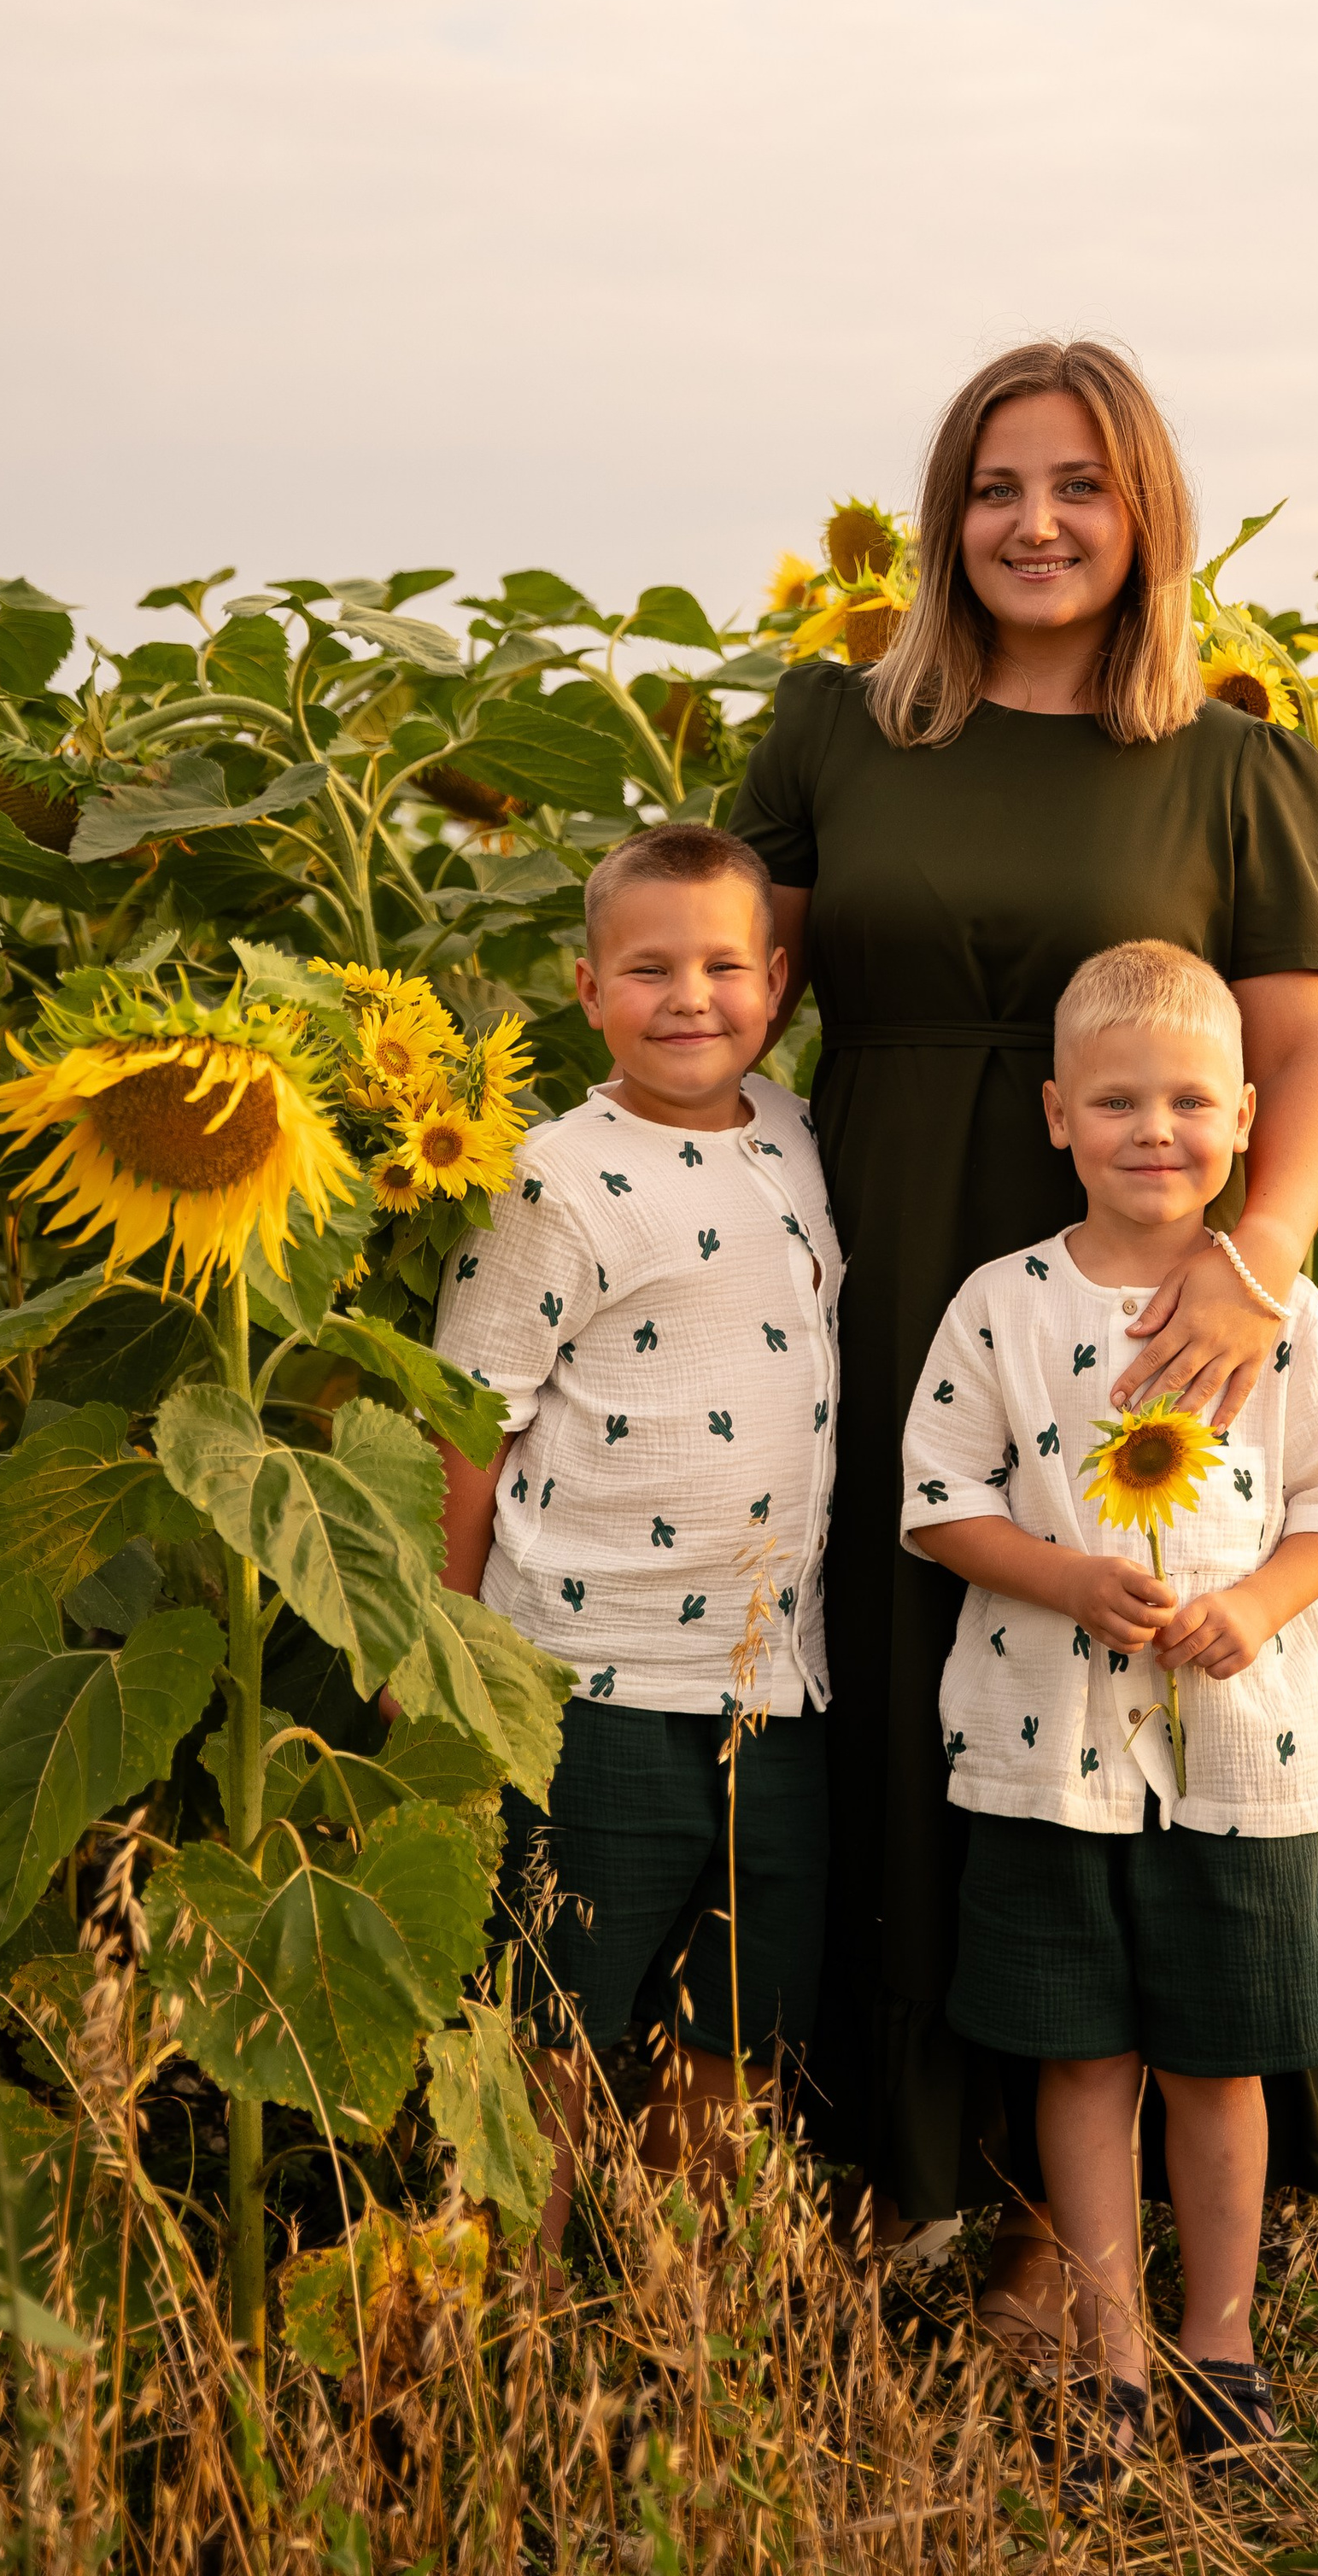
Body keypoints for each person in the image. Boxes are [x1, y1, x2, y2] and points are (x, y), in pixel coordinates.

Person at [730, 337, 1318, 2334]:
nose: (1034, 522)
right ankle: (894, 2164)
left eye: (1079, 486)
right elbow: (716, 986)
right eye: (998, 486)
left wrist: (1252, 1259)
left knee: (1116, 1687)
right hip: (881, 1238)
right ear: (946, 517)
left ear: (1140, 516)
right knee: (916, 1659)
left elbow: (1309, 1046)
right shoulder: (837, 728)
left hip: (1150, 1287)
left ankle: (1047, 2216)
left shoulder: (1231, 761)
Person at [905, 941, 1318, 2477]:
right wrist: (1058, 1576)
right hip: (1048, 1751)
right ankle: (1109, 2343)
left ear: (1249, 1120)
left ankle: (1222, 2338)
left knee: (1220, 2060)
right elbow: (935, 1502)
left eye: (1191, 1101)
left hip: (1239, 1758)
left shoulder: (1288, 1314)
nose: (1154, 1131)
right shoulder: (1007, 1304)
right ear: (1056, 1116)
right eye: (1117, 1101)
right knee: (1083, 2061)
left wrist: (1252, 1605)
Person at [428, 823, 844, 2239]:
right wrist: (448, 1631)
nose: (691, 997)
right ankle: (516, 2315)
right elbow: (468, 1415)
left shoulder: (796, 1132)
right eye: (649, 968)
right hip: (588, 1674)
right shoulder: (554, 1175)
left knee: (733, 2022)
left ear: (777, 982)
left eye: (725, 965)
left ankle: (678, 2306)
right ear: (589, 987)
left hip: (777, 1677)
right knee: (554, 2015)